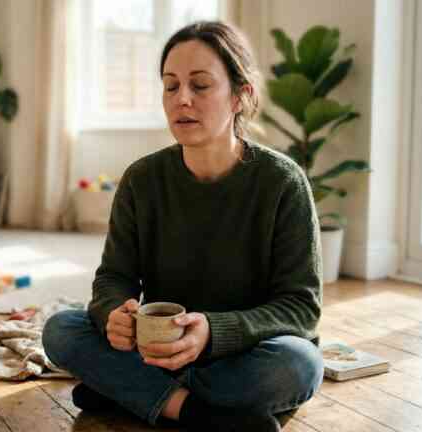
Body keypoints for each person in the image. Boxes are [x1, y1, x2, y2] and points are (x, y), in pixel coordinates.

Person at [42, 21, 324, 432]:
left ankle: (130, 392)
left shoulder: (283, 182)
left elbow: (301, 308)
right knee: (60, 329)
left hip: (243, 352)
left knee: (299, 364)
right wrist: (112, 315)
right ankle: (197, 412)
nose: (182, 99)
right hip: (157, 348)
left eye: (201, 85)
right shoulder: (142, 179)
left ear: (240, 96)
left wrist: (213, 332)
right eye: (171, 86)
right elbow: (114, 278)